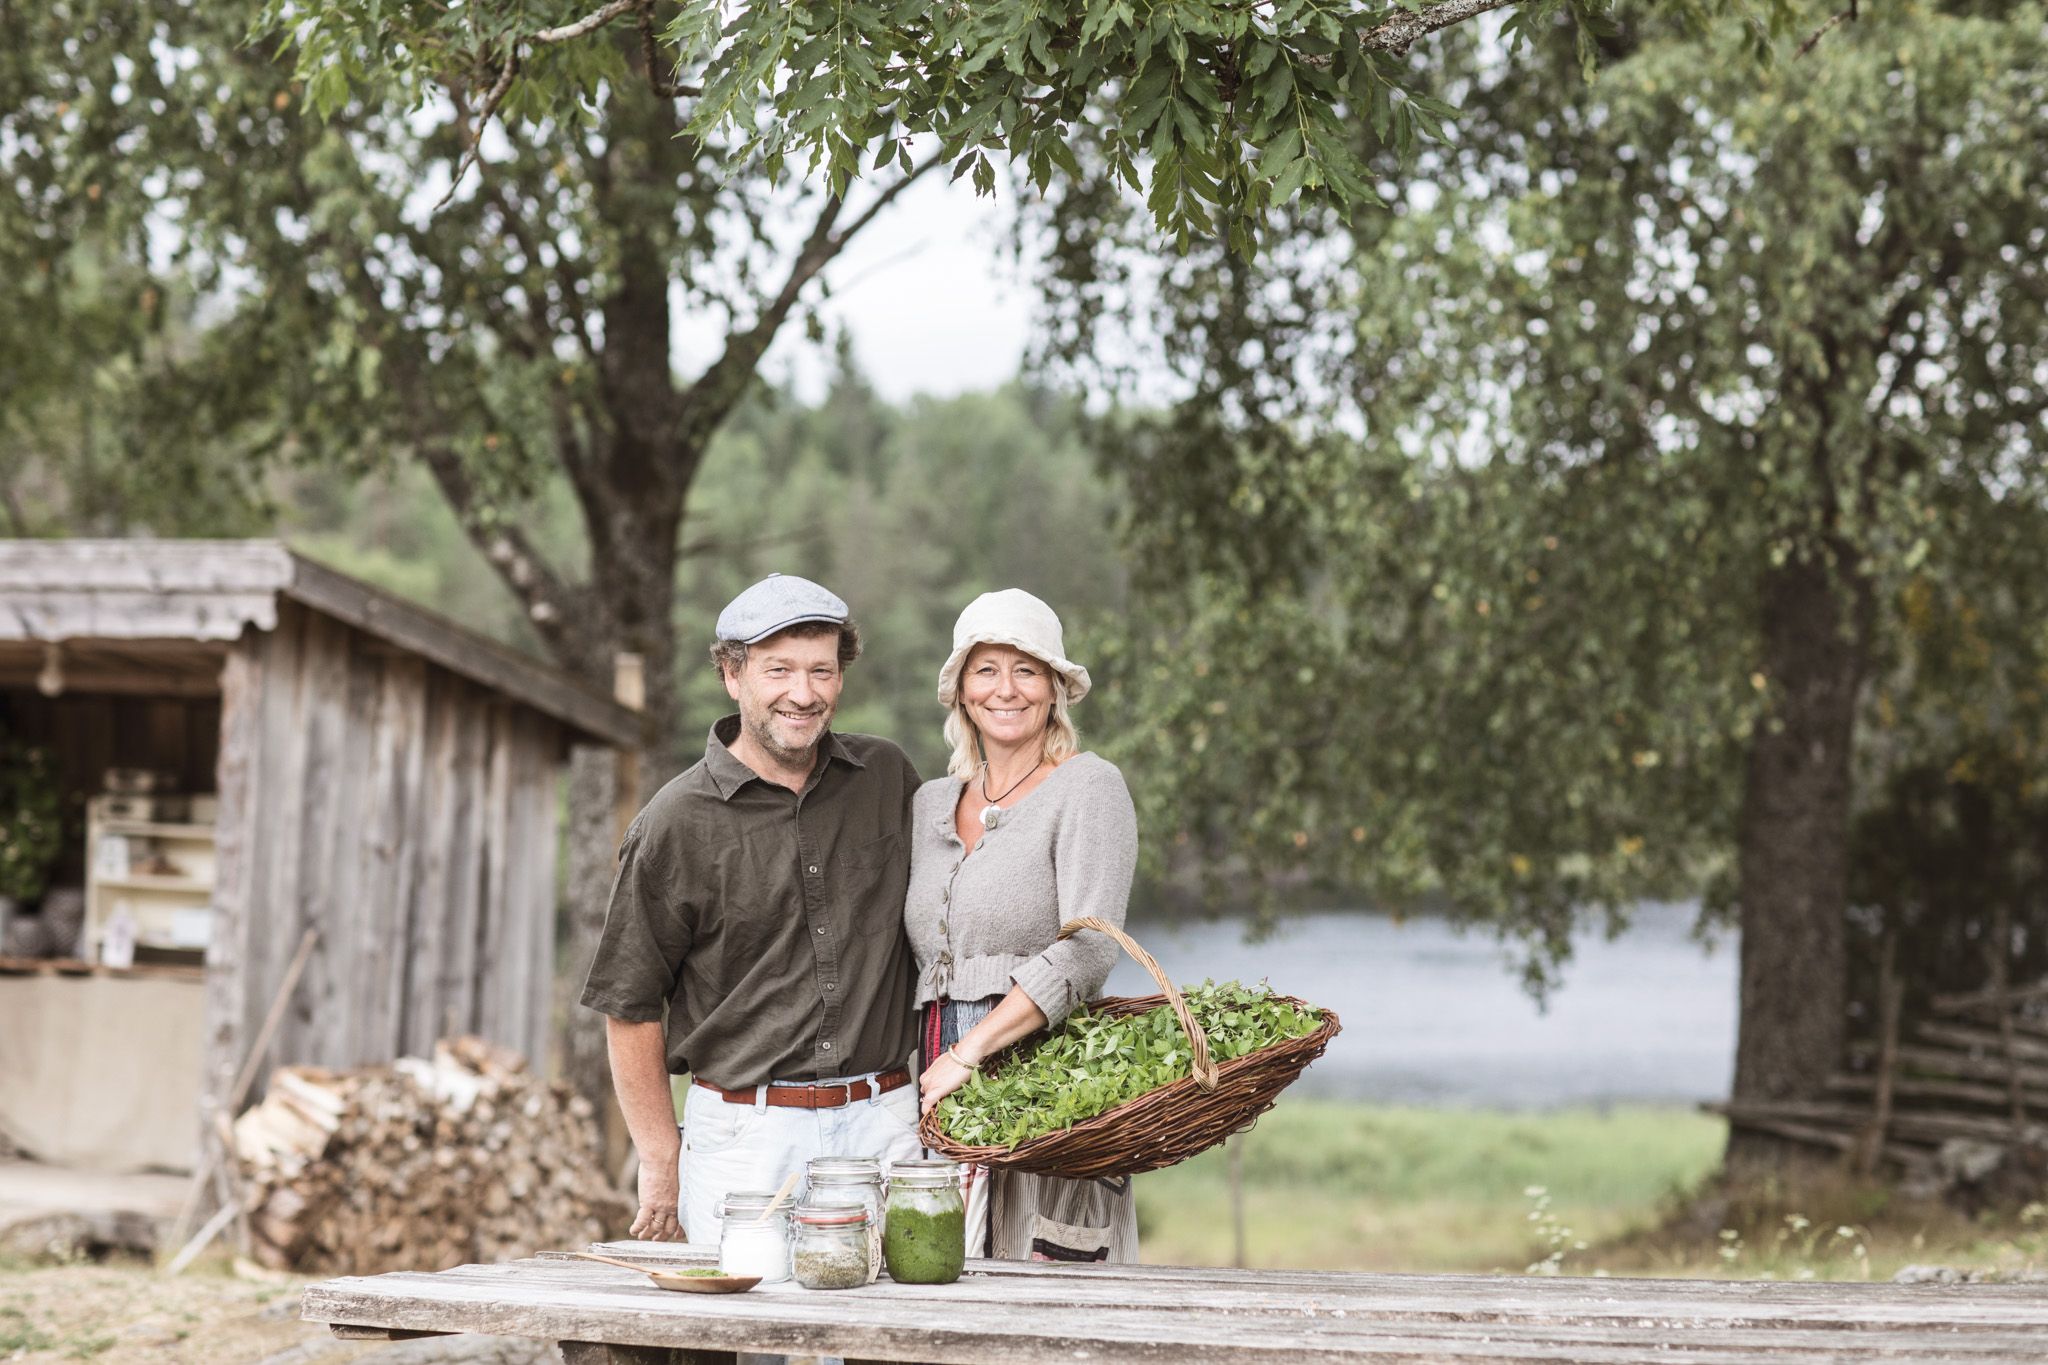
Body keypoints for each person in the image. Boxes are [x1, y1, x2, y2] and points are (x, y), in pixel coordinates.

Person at [580, 573, 925, 1246]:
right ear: (732, 674)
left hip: (884, 1123)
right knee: (747, 1338)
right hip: (745, 1136)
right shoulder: (674, 823)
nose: (803, 693)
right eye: (779, 670)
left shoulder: (887, 779)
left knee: (889, 1341)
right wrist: (658, 1158)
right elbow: (629, 1005)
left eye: (821, 670)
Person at [903, 588, 1141, 1262]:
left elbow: (1091, 946)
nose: (1006, 689)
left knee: (1047, 1292)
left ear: (1056, 689)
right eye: (986, 670)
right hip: (936, 1095)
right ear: (961, 692)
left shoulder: (1088, 786)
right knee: (941, 1285)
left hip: (1049, 1087)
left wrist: (970, 1052)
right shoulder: (928, 804)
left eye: (1026, 670)